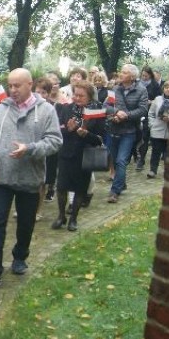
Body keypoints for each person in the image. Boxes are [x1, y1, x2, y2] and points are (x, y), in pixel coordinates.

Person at [0, 68, 62, 290]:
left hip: (29, 179)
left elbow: (55, 141)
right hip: (1, 176)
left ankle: (20, 256)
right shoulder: (0, 110)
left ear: (30, 84)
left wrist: (30, 148)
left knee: (25, 223)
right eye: (10, 85)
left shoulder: (46, 111)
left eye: (17, 85)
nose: (12, 90)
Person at [51, 80, 105, 232]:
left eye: (81, 96)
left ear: (90, 97)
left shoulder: (97, 113)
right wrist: (69, 130)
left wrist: (86, 134)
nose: (77, 98)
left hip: (84, 155)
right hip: (66, 153)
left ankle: (73, 218)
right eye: (75, 94)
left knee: (80, 189)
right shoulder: (65, 109)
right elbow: (57, 132)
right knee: (61, 187)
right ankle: (61, 216)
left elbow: (99, 139)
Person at [104, 63, 149, 203]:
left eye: (124, 72)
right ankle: (121, 183)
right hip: (113, 129)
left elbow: (143, 110)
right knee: (115, 160)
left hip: (129, 131)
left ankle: (114, 191)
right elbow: (106, 106)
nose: (120, 74)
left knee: (121, 160)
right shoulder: (115, 89)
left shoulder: (141, 90)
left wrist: (126, 115)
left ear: (132, 76)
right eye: (121, 72)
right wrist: (117, 113)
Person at [135, 65, 162, 171]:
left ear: (150, 75)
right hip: (137, 112)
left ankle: (141, 159)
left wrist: (152, 102)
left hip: (148, 113)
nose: (144, 78)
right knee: (137, 136)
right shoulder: (137, 84)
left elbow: (159, 98)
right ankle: (136, 155)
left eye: (146, 76)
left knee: (145, 137)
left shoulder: (155, 85)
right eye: (143, 76)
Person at [147, 80, 169, 178]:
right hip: (157, 130)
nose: (168, 89)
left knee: (168, 154)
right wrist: (152, 125)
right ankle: (153, 170)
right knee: (156, 152)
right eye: (166, 87)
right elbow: (151, 113)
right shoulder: (157, 99)